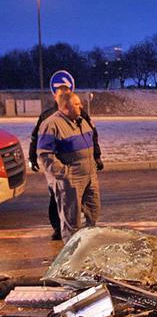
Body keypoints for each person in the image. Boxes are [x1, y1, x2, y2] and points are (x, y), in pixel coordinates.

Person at [29, 86, 103, 240]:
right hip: (71, 180)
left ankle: (87, 246)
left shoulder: (82, 120)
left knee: (92, 213)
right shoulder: (51, 124)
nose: (81, 106)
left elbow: (93, 139)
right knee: (71, 221)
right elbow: (45, 154)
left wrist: (95, 161)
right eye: (77, 104)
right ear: (65, 107)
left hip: (89, 177)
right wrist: (65, 173)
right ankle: (72, 250)